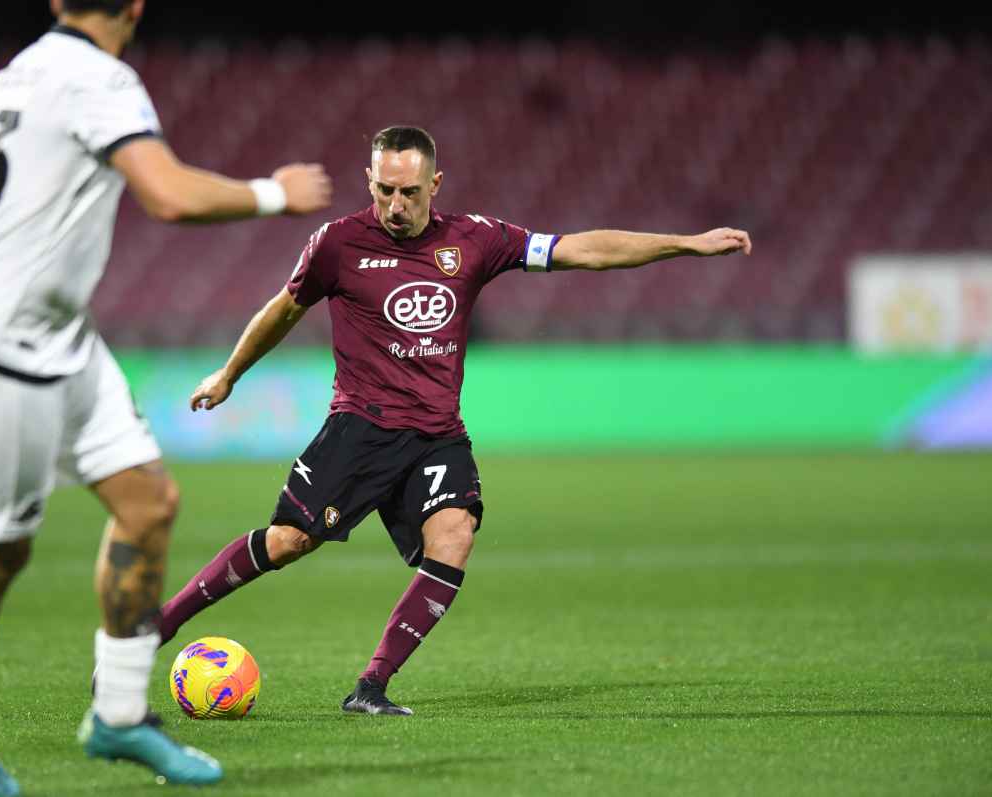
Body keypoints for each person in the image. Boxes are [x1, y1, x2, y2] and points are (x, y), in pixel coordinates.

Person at [165, 125, 752, 716]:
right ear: (368, 180)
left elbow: (582, 249)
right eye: (384, 190)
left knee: (454, 537)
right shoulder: (338, 244)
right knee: (289, 542)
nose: (396, 205)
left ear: (435, 184)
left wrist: (688, 244)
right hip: (361, 427)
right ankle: (157, 627)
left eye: (410, 192)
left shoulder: (477, 239)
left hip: (438, 434)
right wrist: (229, 374)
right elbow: (284, 309)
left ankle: (370, 687)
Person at [0, 0, 332, 793]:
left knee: (148, 502)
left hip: (61, 343)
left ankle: (122, 717)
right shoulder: (101, 80)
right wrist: (274, 193)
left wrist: (2, 280)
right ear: (134, 7)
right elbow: (167, 195)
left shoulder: (8, 80)